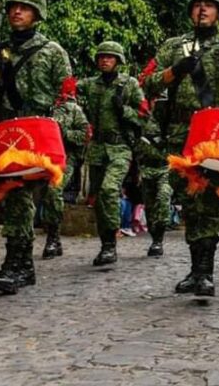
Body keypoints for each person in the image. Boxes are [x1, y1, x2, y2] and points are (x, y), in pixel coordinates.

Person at [143, 0, 219, 297]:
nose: (202, 10)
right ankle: (196, 269)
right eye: (197, 5)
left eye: (209, 5)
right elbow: (147, 85)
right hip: (181, 135)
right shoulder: (173, 46)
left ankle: (204, 272)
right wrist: (175, 71)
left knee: (211, 200)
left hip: (217, 136)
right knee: (188, 202)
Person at [0, 0, 72, 294]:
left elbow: (67, 95)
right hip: (4, 132)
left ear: (37, 14)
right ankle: (19, 262)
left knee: (20, 197)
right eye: (13, 6)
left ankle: (16, 264)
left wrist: (54, 126)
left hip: (37, 133)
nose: (17, 11)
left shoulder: (52, 51)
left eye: (24, 7)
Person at [78, 41, 144, 267]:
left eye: (110, 57)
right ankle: (106, 243)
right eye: (101, 57)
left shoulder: (129, 84)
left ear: (118, 60)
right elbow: (67, 91)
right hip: (97, 148)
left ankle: (110, 244)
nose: (105, 60)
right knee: (97, 198)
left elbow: (143, 116)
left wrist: (123, 110)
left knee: (109, 189)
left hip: (120, 147)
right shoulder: (90, 84)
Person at [42, 75, 89, 259]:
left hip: (64, 158)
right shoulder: (45, 106)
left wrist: (63, 132)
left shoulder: (75, 110)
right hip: (41, 158)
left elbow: (84, 135)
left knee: (54, 191)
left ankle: (53, 237)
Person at [134, 92, 172, 258]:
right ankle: (155, 238)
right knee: (149, 207)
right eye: (155, 99)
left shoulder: (172, 121)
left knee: (163, 198)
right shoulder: (142, 119)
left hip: (166, 168)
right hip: (147, 169)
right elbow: (135, 144)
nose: (158, 103)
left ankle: (159, 239)